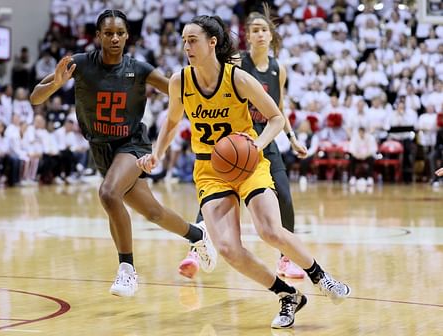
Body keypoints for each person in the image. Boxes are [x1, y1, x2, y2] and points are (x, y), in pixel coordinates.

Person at [137, 15, 350, 329]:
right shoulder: (179, 80)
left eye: (192, 40)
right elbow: (171, 123)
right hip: (209, 169)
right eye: (184, 40)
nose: (186, 46)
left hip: (248, 164)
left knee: (270, 231)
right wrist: (156, 153)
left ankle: (321, 276)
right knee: (227, 249)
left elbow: (276, 117)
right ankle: (287, 295)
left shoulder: (237, 78)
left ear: (212, 43)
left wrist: (257, 144)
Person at [30, 9, 217, 298]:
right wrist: (56, 83)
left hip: (131, 145)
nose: (114, 38)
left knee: (108, 193)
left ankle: (127, 270)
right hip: (101, 149)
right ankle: (198, 235)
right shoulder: (80, 64)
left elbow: (176, 90)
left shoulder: (139, 69)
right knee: (153, 212)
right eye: (108, 33)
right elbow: (35, 97)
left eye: (120, 33)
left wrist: (209, 86)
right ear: (98, 36)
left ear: (127, 35)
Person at [188, 5, 310, 279]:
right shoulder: (237, 62)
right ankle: (198, 247)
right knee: (216, 191)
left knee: (284, 197)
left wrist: (292, 138)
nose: (260, 35)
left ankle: (286, 259)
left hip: (265, 137)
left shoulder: (279, 68)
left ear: (271, 35)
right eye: (254, 31)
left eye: (263, 30)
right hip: (235, 136)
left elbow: (278, 107)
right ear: (247, 36)